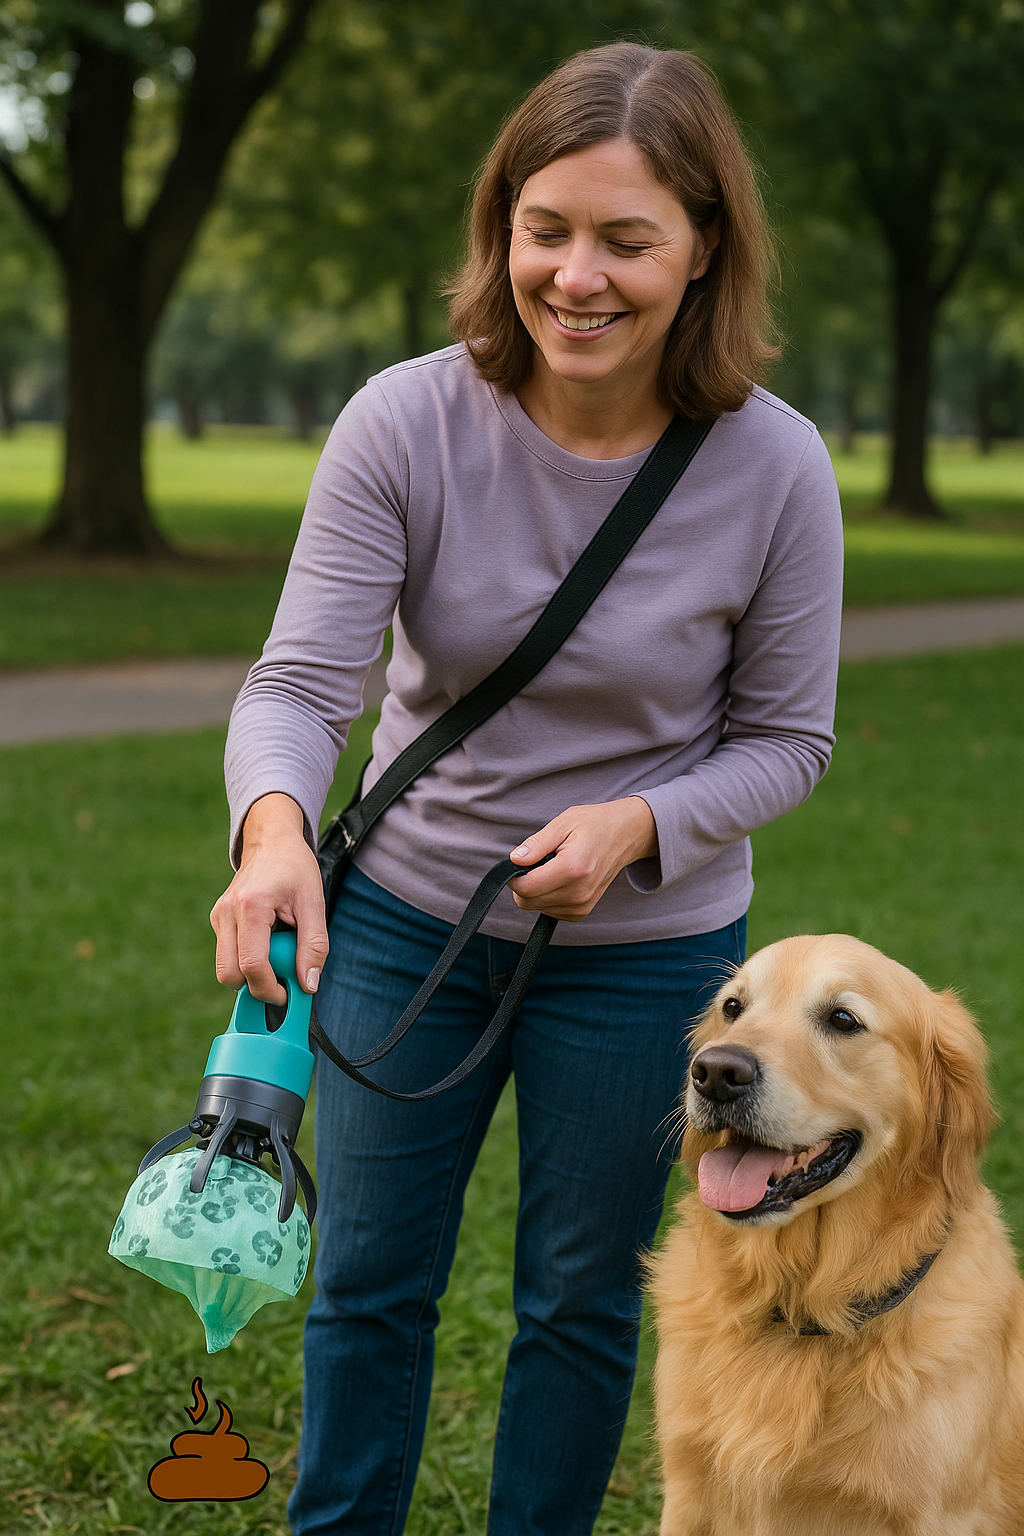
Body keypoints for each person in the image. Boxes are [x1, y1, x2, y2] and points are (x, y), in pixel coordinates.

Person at [212, 40, 843, 1536]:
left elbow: (788, 739)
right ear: (502, 231)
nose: (578, 275)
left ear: (701, 252)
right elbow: (303, 687)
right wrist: (277, 832)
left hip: (651, 962)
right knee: (367, 1286)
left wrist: (645, 824)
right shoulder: (407, 422)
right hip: (402, 927)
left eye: (627, 239)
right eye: (544, 229)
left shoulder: (776, 467)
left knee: (579, 1306)